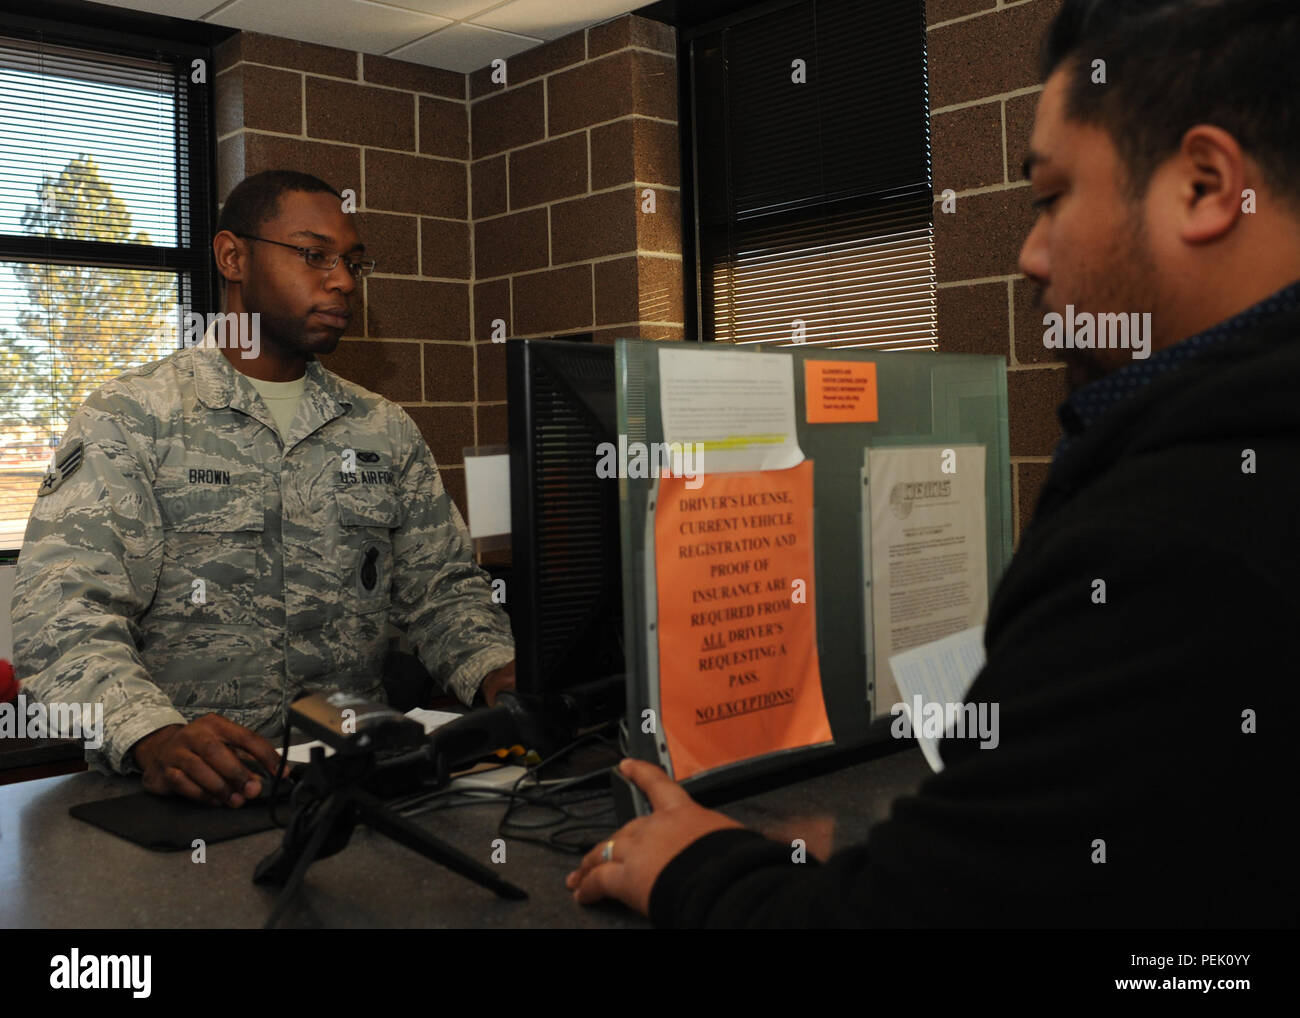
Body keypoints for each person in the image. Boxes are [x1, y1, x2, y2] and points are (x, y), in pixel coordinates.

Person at [567, 0, 1300, 927]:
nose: (1031, 254)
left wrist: (693, 865)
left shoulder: (1175, 536)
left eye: (1050, 197)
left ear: (1203, 186)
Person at [11, 170, 516, 808]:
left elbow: (441, 593)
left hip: (352, 786)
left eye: (354, 263)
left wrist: (500, 673)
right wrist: (151, 734)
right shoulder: (132, 417)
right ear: (232, 256)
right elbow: (61, 620)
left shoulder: (381, 428)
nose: (342, 281)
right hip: (185, 799)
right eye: (315, 256)